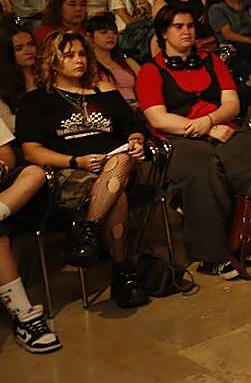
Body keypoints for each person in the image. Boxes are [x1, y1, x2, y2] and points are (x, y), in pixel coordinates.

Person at [136, 5, 251, 280]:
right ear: (164, 33)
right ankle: (212, 255)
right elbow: (158, 118)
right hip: (178, 138)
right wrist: (203, 129)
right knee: (202, 173)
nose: (186, 31)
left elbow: (232, 103)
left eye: (190, 26)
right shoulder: (150, 70)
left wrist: (211, 121)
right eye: (178, 27)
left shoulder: (212, 61)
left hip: (221, 128)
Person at [17, 31, 148, 308]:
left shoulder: (105, 91)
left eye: (82, 54)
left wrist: (136, 140)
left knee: (122, 160)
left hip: (117, 165)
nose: (79, 60)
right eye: (69, 55)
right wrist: (76, 162)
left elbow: (133, 128)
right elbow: (31, 151)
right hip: (69, 173)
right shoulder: (36, 100)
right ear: (52, 60)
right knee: (118, 197)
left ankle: (87, 232)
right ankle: (123, 271)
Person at [0, 119, 61, 353]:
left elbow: (6, 151)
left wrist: (1, 164)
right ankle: (25, 317)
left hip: (6, 195)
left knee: (35, 173)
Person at [87, 14, 140, 106]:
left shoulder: (128, 62)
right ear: (90, 36)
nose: (111, 36)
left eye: (114, 32)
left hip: (137, 109)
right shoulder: (87, 65)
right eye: (104, 32)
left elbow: (148, 86)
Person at [0, 25, 37, 131]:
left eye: (31, 44)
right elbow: (11, 125)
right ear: (7, 53)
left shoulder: (47, 76)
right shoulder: (3, 87)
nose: (28, 51)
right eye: (19, 48)